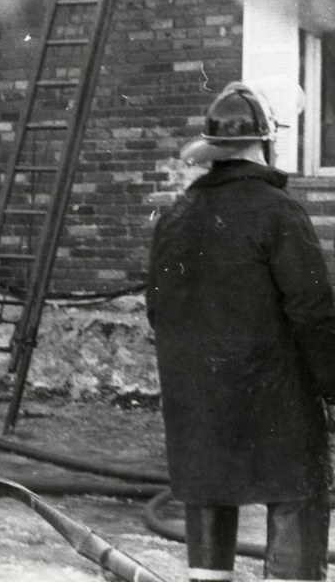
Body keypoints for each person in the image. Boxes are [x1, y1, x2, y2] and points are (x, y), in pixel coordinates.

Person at [146, 81, 335, 582]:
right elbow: (314, 311)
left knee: (208, 486)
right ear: (266, 143)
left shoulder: (175, 217)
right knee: (299, 486)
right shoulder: (279, 213)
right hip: (275, 394)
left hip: (197, 396)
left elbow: (159, 310)